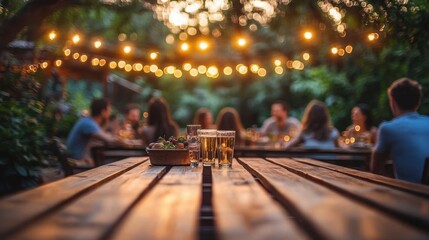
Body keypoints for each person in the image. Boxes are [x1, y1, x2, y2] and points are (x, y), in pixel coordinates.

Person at [371, 78, 429, 183]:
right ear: (418, 102)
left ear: (392, 102)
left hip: (410, 193)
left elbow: (375, 170)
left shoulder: (388, 128)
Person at [66, 98, 122, 166]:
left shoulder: (89, 121)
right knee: (119, 161)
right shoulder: (88, 124)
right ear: (103, 112)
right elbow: (110, 140)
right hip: (78, 162)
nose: (110, 112)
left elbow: (106, 136)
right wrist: (122, 140)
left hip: (80, 159)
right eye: (109, 110)